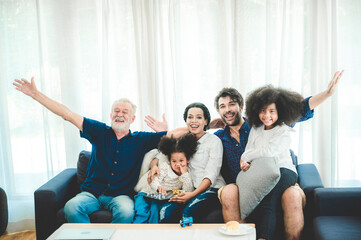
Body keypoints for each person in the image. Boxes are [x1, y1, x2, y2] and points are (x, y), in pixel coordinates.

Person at [13, 77, 185, 223]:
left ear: (132, 118)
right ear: (111, 115)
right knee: (71, 207)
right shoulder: (98, 131)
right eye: (116, 111)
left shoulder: (141, 139)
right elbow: (68, 115)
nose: (120, 114)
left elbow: (174, 134)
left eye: (125, 112)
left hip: (121, 196)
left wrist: (204, 125)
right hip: (91, 193)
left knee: (126, 212)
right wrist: (36, 95)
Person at [215, 70, 343, 240]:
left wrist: (327, 93)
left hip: (278, 174)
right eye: (222, 106)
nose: (227, 109)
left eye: (231, 104)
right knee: (230, 191)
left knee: (288, 196)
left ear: (241, 106)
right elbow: (192, 133)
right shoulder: (218, 137)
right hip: (246, 183)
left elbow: (302, 108)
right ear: (218, 111)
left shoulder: (262, 124)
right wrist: (204, 123)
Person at [239, 86, 306, 240]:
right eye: (263, 110)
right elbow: (248, 152)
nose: (266, 115)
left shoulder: (284, 131)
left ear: (279, 111)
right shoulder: (255, 128)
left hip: (284, 171)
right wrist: (244, 161)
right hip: (262, 171)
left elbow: (269, 152)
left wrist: (247, 155)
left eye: (271, 111)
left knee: (268, 200)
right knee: (260, 200)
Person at [148, 102, 225, 223]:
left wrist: (192, 194)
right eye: (190, 117)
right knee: (165, 212)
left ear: (206, 121)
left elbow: (211, 175)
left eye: (199, 117)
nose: (194, 121)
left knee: (188, 213)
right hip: (188, 190)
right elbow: (160, 154)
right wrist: (153, 167)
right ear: (186, 121)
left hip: (211, 189)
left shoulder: (214, 141)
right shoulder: (182, 140)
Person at [133, 133, 198, 223]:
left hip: (158, 199)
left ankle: (152, 235)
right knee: (142, 213)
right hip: (145, 193)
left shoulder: (187, 174)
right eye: (174, 161)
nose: (178, 164)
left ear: (187, 160)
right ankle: (136, 233)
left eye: (181, 160)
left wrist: (184, 174)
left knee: (155, 214)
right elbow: (153, 181)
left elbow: (188, 190)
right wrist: (158, 187)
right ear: (170, 161)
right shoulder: (165, 168)